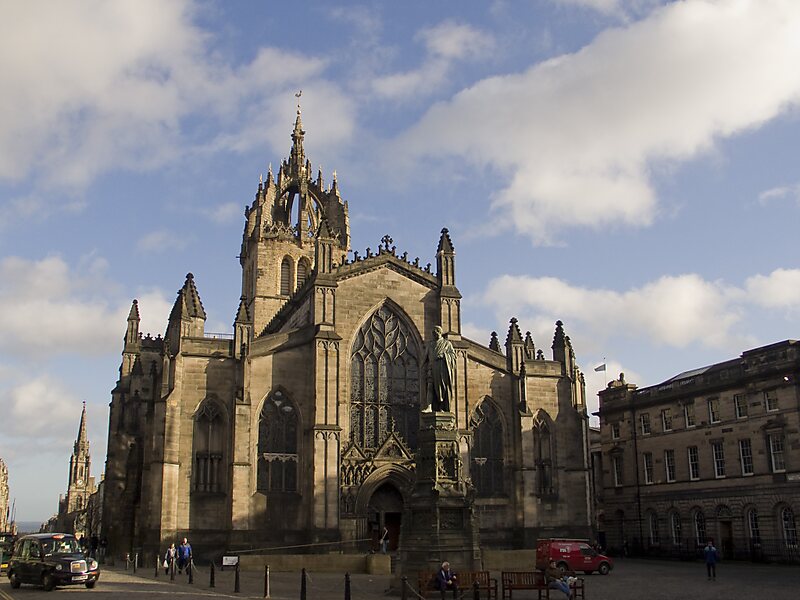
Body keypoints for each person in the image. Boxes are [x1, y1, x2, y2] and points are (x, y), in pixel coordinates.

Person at [425, 326, 456, 412]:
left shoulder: (447, 344)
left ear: (439, 332)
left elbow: (453, 356)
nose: (434, 335)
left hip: (442, 370)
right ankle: (429, 406)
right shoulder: (430, 345)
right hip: (431, 368)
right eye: (433, 334)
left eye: (435, 333)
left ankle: (442, 407)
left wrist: (444, 356)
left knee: (442, 390)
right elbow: (424, 358)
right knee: (430, 387)